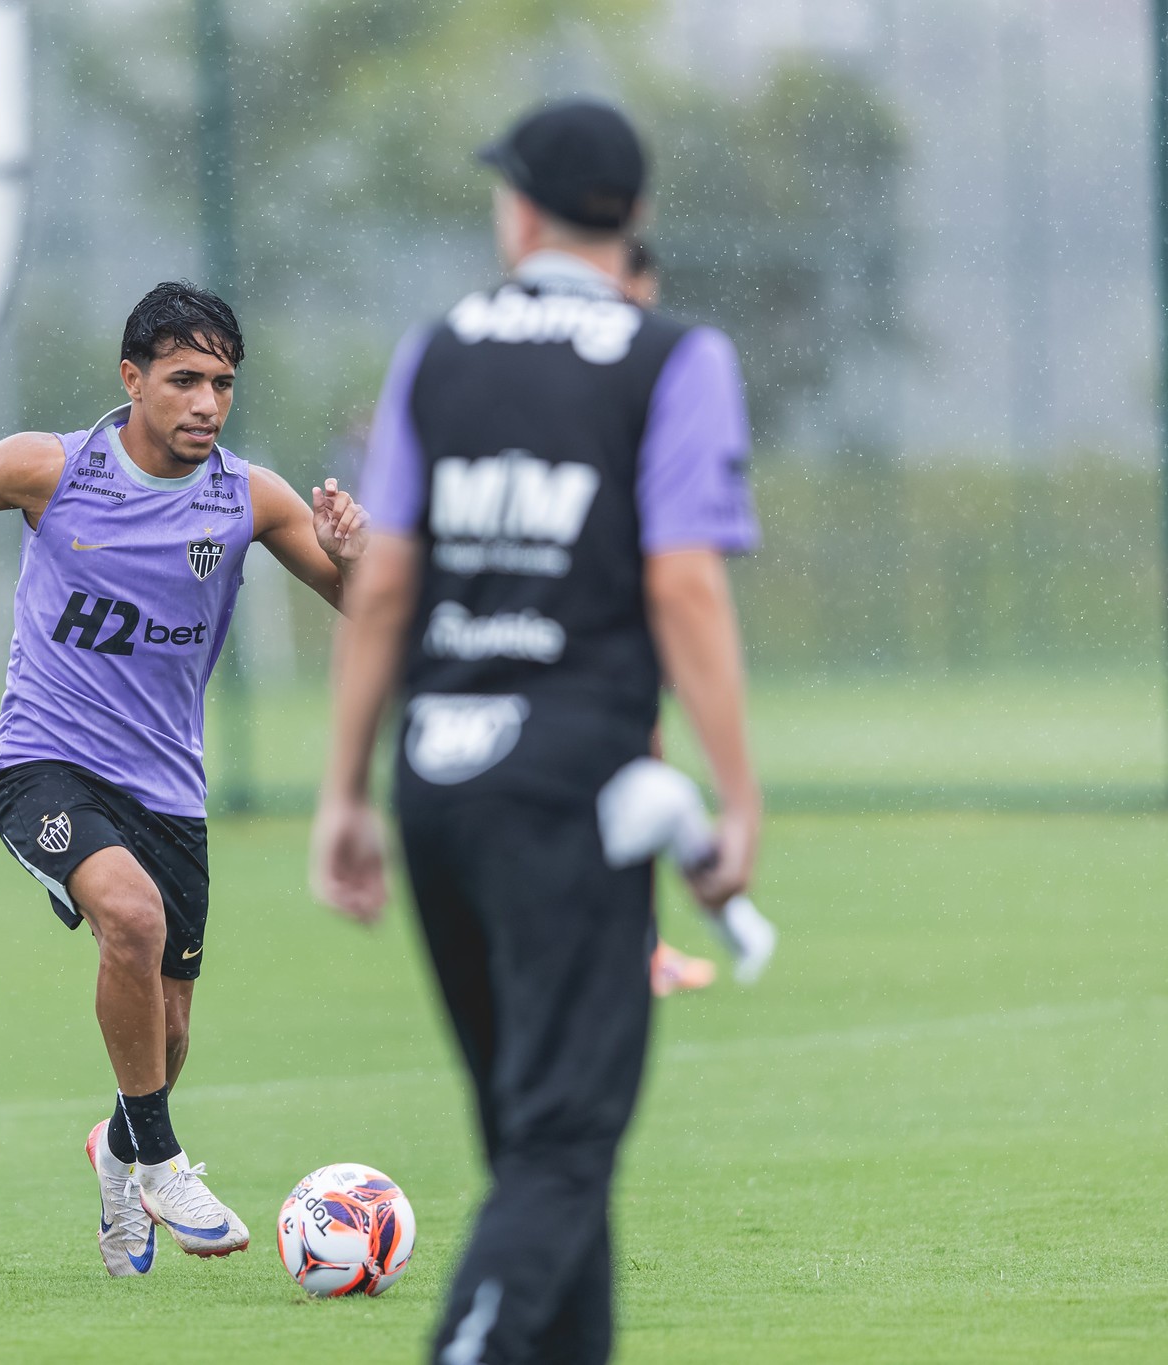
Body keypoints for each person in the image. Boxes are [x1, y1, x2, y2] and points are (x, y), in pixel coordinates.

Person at [311, 100, 761, 1363]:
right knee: (564, 1142)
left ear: (517, 213)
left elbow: (385, 586)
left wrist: (343, 791)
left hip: (438, 781)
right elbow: (681, 585)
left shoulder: (436, 351)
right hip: (571, 790)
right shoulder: (670, 357)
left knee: (535, 1145)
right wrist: (736, 796)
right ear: (636, 221)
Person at [0, 281, 368, 1277]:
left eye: (222, 383)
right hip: (41, 764)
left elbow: (368, 605)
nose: (205, 404)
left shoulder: (247, 497)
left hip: (168, 792)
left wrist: (357, 557)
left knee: (167, 1026)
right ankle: (163, 1161)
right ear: (131, 379)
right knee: (127, 922)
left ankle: (118, 1147)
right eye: (183, 380)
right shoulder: (50, 469)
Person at [622, 235, 720, 1000]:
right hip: (595, 623)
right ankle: (631, 948)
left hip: (607, 615)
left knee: (638, 767)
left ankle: (635, 944)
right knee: (631, 771)